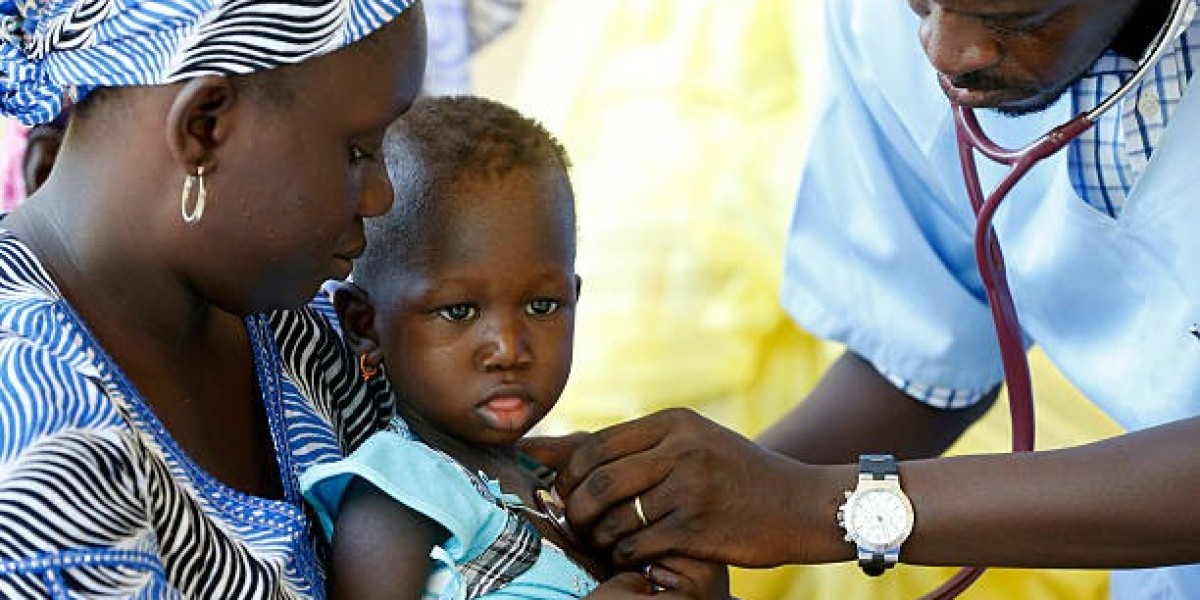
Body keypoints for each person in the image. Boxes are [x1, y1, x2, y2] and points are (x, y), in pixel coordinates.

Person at [524, 0, 1200, 598]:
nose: (946, 51)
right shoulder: (874, 22)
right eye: (922, 3)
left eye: (1017, 18)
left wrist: (821, 508)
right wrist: (668, 510)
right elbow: (918, 356)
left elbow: (804, 504)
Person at [0, 1, 428, 597]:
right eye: (358, 151)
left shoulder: (298, 330)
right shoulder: (40, 448)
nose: (381, 196)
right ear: (204, 126)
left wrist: (555, 498)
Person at [299, 95, 728, 600]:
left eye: (542, 306)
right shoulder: (397, 496)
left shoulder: (565, 486)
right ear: (365, 325)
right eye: (459, 311)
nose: (508, 348)